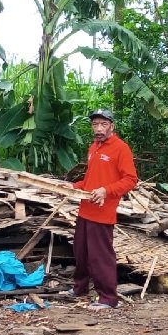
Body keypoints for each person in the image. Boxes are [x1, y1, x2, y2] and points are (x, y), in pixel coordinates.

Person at [69, 109, 138, 310]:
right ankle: (79, 288)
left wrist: (106, 191)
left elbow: (130, 179)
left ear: (112, 126)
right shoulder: (93, 148)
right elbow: (91, 179)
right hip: (85, 209)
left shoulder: (120, 148)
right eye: (95, 124)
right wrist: (73, 187)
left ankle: (108, 297)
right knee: (80, 252)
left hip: (103, 212)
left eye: (103, 124)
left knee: (101, 256)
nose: (99, 129)